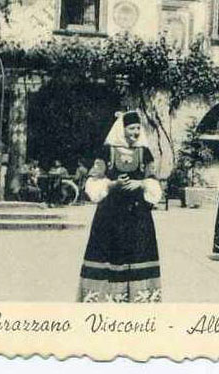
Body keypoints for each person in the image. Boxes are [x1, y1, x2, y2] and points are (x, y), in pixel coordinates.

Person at [77, 111, 162, 302]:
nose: (136, 132)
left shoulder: (145, 153)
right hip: (110, 215)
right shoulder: (107, 152)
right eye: (132, 128)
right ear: (122, 129)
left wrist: (141, 184)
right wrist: (112, 184)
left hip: (138, 215)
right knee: (109, 252)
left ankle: (137, 297)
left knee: (138, 252)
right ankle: (107, 297)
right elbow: (93, 182)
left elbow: (153, 180)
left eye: (138, 128)